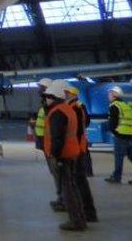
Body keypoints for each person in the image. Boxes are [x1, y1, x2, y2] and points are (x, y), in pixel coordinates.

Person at [44, 80, 86, 231]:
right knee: (72, 187)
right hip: (71, 153)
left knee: (68, 189)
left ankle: (75, 221)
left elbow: (57, 138)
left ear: (54, 96)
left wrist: (56, 156)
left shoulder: (57, 113)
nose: (46, 98)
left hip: (63, 155)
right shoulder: (67, 109)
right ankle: (80, 217)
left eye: (48, 96)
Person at [64, 85, 98, 223]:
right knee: (80, 181)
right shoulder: (78, 106)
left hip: (77, 149)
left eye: (66, 93)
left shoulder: (75, 107)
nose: (64, 95)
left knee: (79, 182)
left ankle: (87, 212)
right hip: (80, 146)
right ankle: (87, 212)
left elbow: (75, 130)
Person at [105, 86, 132, 186]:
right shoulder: (127, 105)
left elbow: (112, 122)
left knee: (119, 158)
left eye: (110, 93)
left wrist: (114, 132)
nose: (108, 96)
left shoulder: (114, 106)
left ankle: (116, 177)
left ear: (115, 95)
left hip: (121, 136)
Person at [35, 79, 63, 211]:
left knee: (58, 173)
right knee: (55, 173)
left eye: (41, 88)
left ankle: (62, 199)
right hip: (45, 143)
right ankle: (61, 197)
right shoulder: (45, 106)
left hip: (51, 145)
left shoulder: (53, 108)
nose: (39, 91)